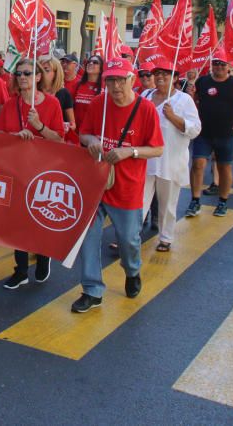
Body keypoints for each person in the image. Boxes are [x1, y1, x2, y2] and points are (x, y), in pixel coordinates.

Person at [72, 57, 164, 313]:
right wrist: (92, 141)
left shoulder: (145, 109)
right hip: (96, 182)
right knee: (88, 236)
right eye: (110, 80)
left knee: (128, 240)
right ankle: (92, 289)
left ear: (132, 81)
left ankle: (132, 270)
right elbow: (84, 134)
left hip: (127, 186)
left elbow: (157, 148)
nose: (115, 86)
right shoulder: (99, 103)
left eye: (120, 80)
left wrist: (130, 152)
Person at [0, 58, 65, 289]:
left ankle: (44, 257)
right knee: (18, 222)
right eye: (19, 73)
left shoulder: (52, 103)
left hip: (42, 170)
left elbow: (59, 139)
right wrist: (16, 138)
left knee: (39, 217)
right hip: (17, 169)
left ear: (37, 77)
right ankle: (21, 270)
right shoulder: (10, 103)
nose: (22, 77)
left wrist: (39, 126)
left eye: (28, 73)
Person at [141, 54, 201, 251]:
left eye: (166, 74)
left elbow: (195, 129)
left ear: (175, 77)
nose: (160, 78)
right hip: (145, 160)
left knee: (167, 204)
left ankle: (165, 238)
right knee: (138, 202)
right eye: (157, 74)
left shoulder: (184, 100)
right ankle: (130, 235)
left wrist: (174, 117)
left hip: (170, 161)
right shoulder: (145, 96)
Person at [186, 48, 233, 218]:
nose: (219, 67)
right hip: (203, 132)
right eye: (216, 64)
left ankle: (223, 201)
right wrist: (190, 95)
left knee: (224, 167)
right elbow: (193, 103)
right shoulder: (202, 82)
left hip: (226, 133)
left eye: (222, 64)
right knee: (198, 164)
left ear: (228, 66)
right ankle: (195, 200)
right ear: (211, 65)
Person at [37, 55, 75, 139]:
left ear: (56, 73)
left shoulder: (64, 93)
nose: (42, 73)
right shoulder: (33, 92)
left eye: (46, 70)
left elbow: (73, 124)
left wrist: (65, 126)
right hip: (35, 140)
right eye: (39, 70)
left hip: (55, 142)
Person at [71, 54, 103, 144]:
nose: (90, 63)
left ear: (101, 68)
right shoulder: (77, 85)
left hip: (95, 137)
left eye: (95, 62)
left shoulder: (106, 88)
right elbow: (69, 108)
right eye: (88, 62)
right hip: (77, 134)